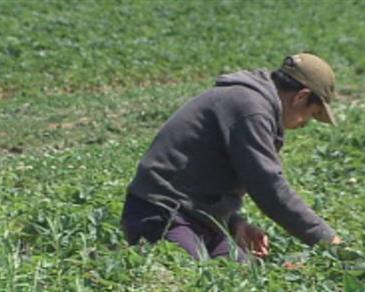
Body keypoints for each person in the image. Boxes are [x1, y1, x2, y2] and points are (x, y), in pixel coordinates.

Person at [121, 53, 342, 262]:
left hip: (201, 220)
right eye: (312, 114)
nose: (304, 124)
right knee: (192, 282)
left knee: (247, 278)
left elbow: (205, 175)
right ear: (301, 96)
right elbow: (269, 187)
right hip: (163, 214)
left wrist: (234, 223)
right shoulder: (251, 108)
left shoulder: (254, 104)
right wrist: (327, 241)